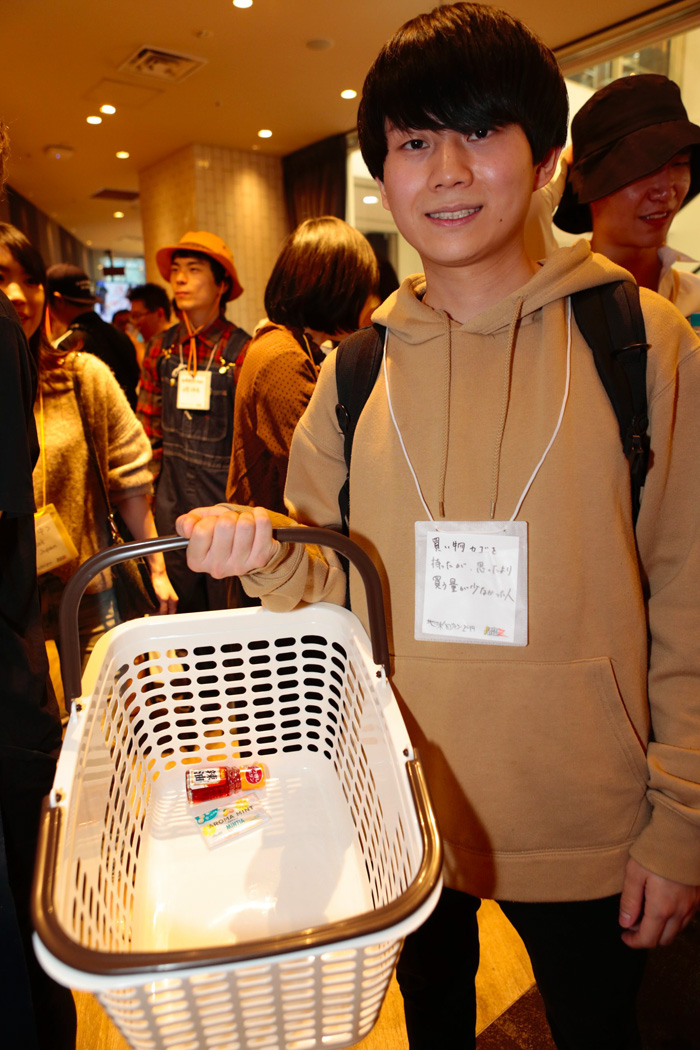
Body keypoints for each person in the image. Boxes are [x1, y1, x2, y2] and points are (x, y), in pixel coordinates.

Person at [175, 5, 700, 1049]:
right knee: (433, 1019)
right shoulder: (356, 370)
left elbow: (689, 588)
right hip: (402, 803)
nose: (448, 171)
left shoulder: (638, 339)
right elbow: (329, 589)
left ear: (546, 160)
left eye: (482, 131)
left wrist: (682, 817)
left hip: (590, 818)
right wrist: (267, 553)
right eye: (414, 142)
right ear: (382, 171)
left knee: (600, 1025)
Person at [0, 224, 178, 670]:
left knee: (106, 706)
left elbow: (130, 480)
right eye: (1, 279)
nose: (18, 295)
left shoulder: (82, 376)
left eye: (31, 281)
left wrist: (156, 570)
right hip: (9, 609)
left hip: (88, 594)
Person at [0, 130, 76, 1049]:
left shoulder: (75, 370)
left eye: (25, 281)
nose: (16, 294)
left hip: (63, 593)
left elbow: (123, 465)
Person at [227, 216, 379, 514]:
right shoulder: (283, 357)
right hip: (281, 533)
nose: (367, 302)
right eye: (361, 290)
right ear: (336, 290)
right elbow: (321, 468)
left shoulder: (287, 344)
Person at [137, 230, 251, 612]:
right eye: (175, 270)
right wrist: (145, 501)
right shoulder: (160, 348)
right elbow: (148, 430)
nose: (180, 279)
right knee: (179, 606)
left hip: (226, 502)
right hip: (169, 500)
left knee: (229, 607)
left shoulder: (244, 350)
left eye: (193, 269)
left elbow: (248, 443)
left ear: (222, 284)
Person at [550, 75, 700, 317]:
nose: (665, 191)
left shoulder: (695, 299)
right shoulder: (550, 304)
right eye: (644, 169)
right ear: (592, 183)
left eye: (680, 164)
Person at [46, 263, 140, 407]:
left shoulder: (64, 346)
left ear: (58, 300)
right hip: (129, 416)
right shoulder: (120, 334)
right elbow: (134, 379)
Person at [128, 281, 172, 352]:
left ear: (159, 314)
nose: (134, 323)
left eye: (137, 316)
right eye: (133, 317)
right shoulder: (151, 343)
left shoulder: (172, 344)